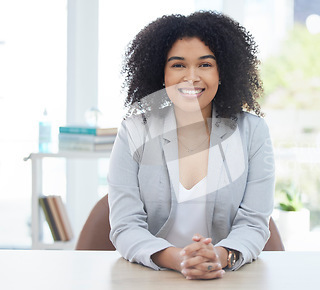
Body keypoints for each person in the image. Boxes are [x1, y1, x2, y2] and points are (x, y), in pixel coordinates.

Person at [107, 11, 275, 280]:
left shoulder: (253, 132)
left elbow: (254, 223)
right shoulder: (134, 132)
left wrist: (219, 257)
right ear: (161, 74)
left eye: (205, 65)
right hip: (152, 277)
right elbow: (125, 225)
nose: (191, 77)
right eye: (178, 65)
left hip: (228, 278)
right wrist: (178, 259)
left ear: (223, 72)